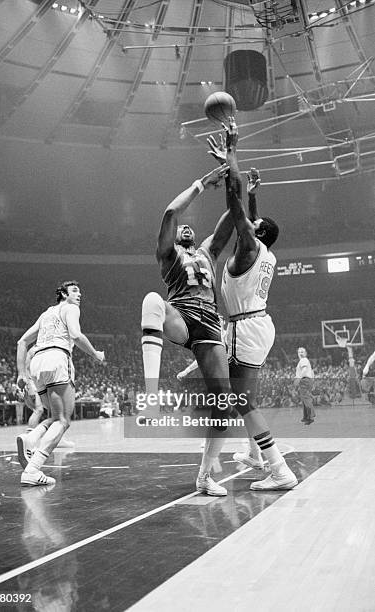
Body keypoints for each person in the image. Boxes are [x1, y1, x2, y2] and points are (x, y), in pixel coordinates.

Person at [141, 163, 236, 497]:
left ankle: (205, 475)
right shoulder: (168, 255)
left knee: (225, 402)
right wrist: (201, 184)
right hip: (181, 317)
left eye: (188, 228)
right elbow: (170, 212)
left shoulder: (208, 252)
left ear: (196, 236)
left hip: (210, 325)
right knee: (152, 300)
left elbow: (230, 220)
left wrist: (232, 171)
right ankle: (150, 397)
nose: (184, 229)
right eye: (180, 228)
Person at [222, 116, 298, 490]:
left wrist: (232, 159)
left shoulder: (249, 245)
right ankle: (254, 454)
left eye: (254, 225)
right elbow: (250, 217)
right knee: (243, 398)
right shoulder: (264, 251)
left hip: (245, 327)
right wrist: (253, 194)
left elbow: (236, 211)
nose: (249, 226)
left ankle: (279, 469)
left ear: (257, 233)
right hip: (257, 323)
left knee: (242, 401)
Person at [16, 280, 105, 486]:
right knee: (63, 421)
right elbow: (76, 335)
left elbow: (22, 342)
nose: (79, 294)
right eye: (75, 290)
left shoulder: (46, 313)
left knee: (53, 416)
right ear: (64, 294)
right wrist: (95, 355)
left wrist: (21, 373)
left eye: (80, 291)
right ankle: (33, 469)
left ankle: (31, 438)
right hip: (57, 358)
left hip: (38, 362)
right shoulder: (71, 308)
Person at [294, 347, 315, 424]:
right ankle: (306, 416)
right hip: (307, 380)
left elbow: (304, 370)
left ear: (306, 353)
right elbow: (311, 371)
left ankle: (310, 417)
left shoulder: (303, 360)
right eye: (299, 352)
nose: (301, 353)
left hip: (304, 380)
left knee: (306, 398)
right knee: (304, 399)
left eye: (302, 352)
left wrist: (299, 378)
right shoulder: (305, 361)